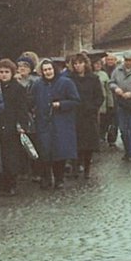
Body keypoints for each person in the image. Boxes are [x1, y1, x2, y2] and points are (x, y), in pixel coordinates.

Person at [29, 58, 80, 189]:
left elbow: (75, 101)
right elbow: (31, 101)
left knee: (60, 152)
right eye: (45, 70)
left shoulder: (66, 83)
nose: (47, 72)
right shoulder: (38, 84)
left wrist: (61, 104)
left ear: (54, 69)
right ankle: (46, 177)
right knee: (44, 152)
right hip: (43, 122)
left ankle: (59, 178)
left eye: (49, 69)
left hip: (61, 122)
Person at [0, 58, 30, 196]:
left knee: (12, 156)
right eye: (1, 72)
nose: (4, 75)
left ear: (12, 73)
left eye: (6, 72)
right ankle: (2, 183)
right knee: (0, 154)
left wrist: (22, 125)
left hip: (12, 124)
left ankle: (11, 183)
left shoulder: (18, 88)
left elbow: (22, 108)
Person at [68, 52, 103, 178]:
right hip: (75, 115)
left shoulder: (93, 78)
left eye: (80, 63)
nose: (78, 66)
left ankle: (87, 168)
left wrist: (93, 108)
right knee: (75, 142)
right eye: (75, 64)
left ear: (85, 64)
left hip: (89, 115)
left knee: (88, 144)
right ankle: (75, 168)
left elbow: (99, 97)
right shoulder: (70, 79)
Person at [93, 55, 114, 147]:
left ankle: (101, 137)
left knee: (103, 121)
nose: (97, 66)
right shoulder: (91, 74)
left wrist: (110, 103)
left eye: (99, 64)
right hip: (94, 101)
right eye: (96, 64)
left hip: (103, 102)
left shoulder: (104, 74)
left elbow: (108, 90)